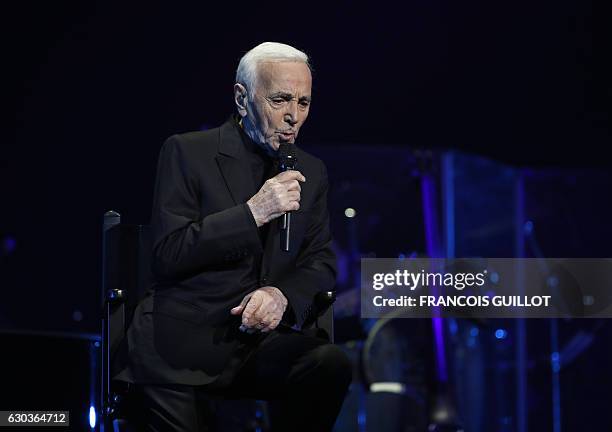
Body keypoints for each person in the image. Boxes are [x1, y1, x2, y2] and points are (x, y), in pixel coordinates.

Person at [114, 42, 352, 431]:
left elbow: (320, 261)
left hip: (258, 347)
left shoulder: (312, 170)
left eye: (304, 103)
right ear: (242, 98)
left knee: (329, 364)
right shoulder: (188, 152)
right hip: (179, 347)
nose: (293, 116)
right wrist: (253, 213)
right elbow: (168, 253)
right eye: (280, 100)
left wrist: (281, 295)